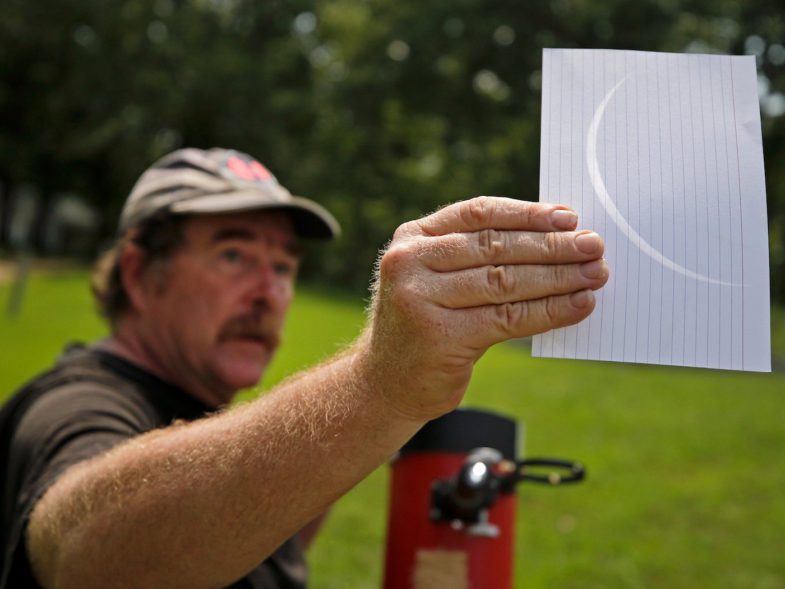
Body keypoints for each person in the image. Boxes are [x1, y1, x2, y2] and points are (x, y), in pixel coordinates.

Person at [0, 147, 608, 588]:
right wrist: (378, 388)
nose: (269, 292)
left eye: (284, 265)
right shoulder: (72, 405)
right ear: (138, 273)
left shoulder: (203, 404)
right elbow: (85, 560)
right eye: (233, 253)